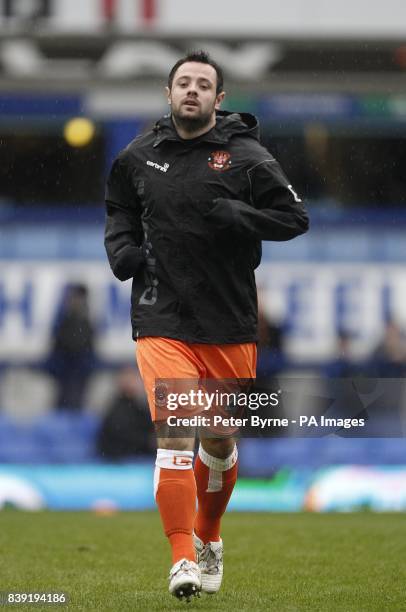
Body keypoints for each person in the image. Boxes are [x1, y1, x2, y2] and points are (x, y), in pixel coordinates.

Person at [104, 50, 308, 601]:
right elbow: (119, 207)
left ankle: (209, 536)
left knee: (218, 442)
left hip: (227, 320)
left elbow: (295, 219)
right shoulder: (138, 155)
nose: (191, 91)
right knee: (175, 435)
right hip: (160, 316)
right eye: (183, 83)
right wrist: (121, 248)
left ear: (219, 100)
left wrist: (242, 216)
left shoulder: (247, 157)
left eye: (203, 85)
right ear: (169, 95)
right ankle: (180, 560)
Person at [97, 366, 155, 459]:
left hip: (135, 456)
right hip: (119, 459)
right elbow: (123, 436)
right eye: (129, 379)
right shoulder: (117, 409)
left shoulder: (138, 406)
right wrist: (148, 441)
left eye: (135, 379)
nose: (135, 383)